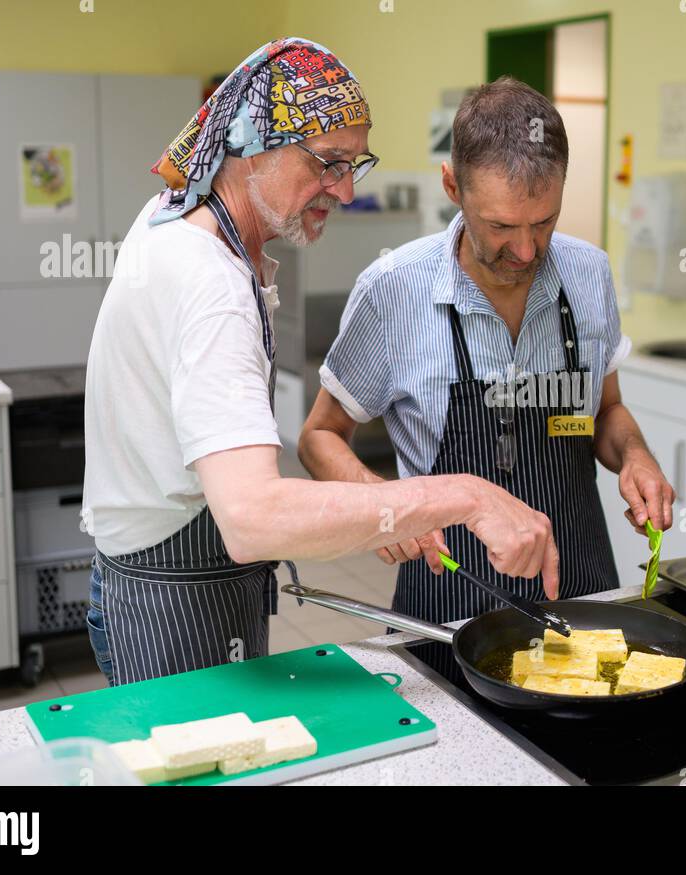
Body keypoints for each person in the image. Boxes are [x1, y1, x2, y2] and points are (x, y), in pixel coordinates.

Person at [80, 41, 557, 686]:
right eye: (328, 163)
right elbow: (251, 519)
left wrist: (389, 506)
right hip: (171, 597)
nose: (348, 189)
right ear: (251, 146)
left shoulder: (180, 216)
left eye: (355, 163)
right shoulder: (210, 286)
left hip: (187, 575)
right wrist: (465, 496)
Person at [298, 77, 675, 625]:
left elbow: (604, 412)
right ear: (453, 186)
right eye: (501, 225)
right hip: (449, 604)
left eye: (544, 222)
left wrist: (636, 455)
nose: (525, 250)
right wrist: (385, 507)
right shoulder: (394, 289)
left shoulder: (588, 273)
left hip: (583, 596)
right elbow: (319, 436)